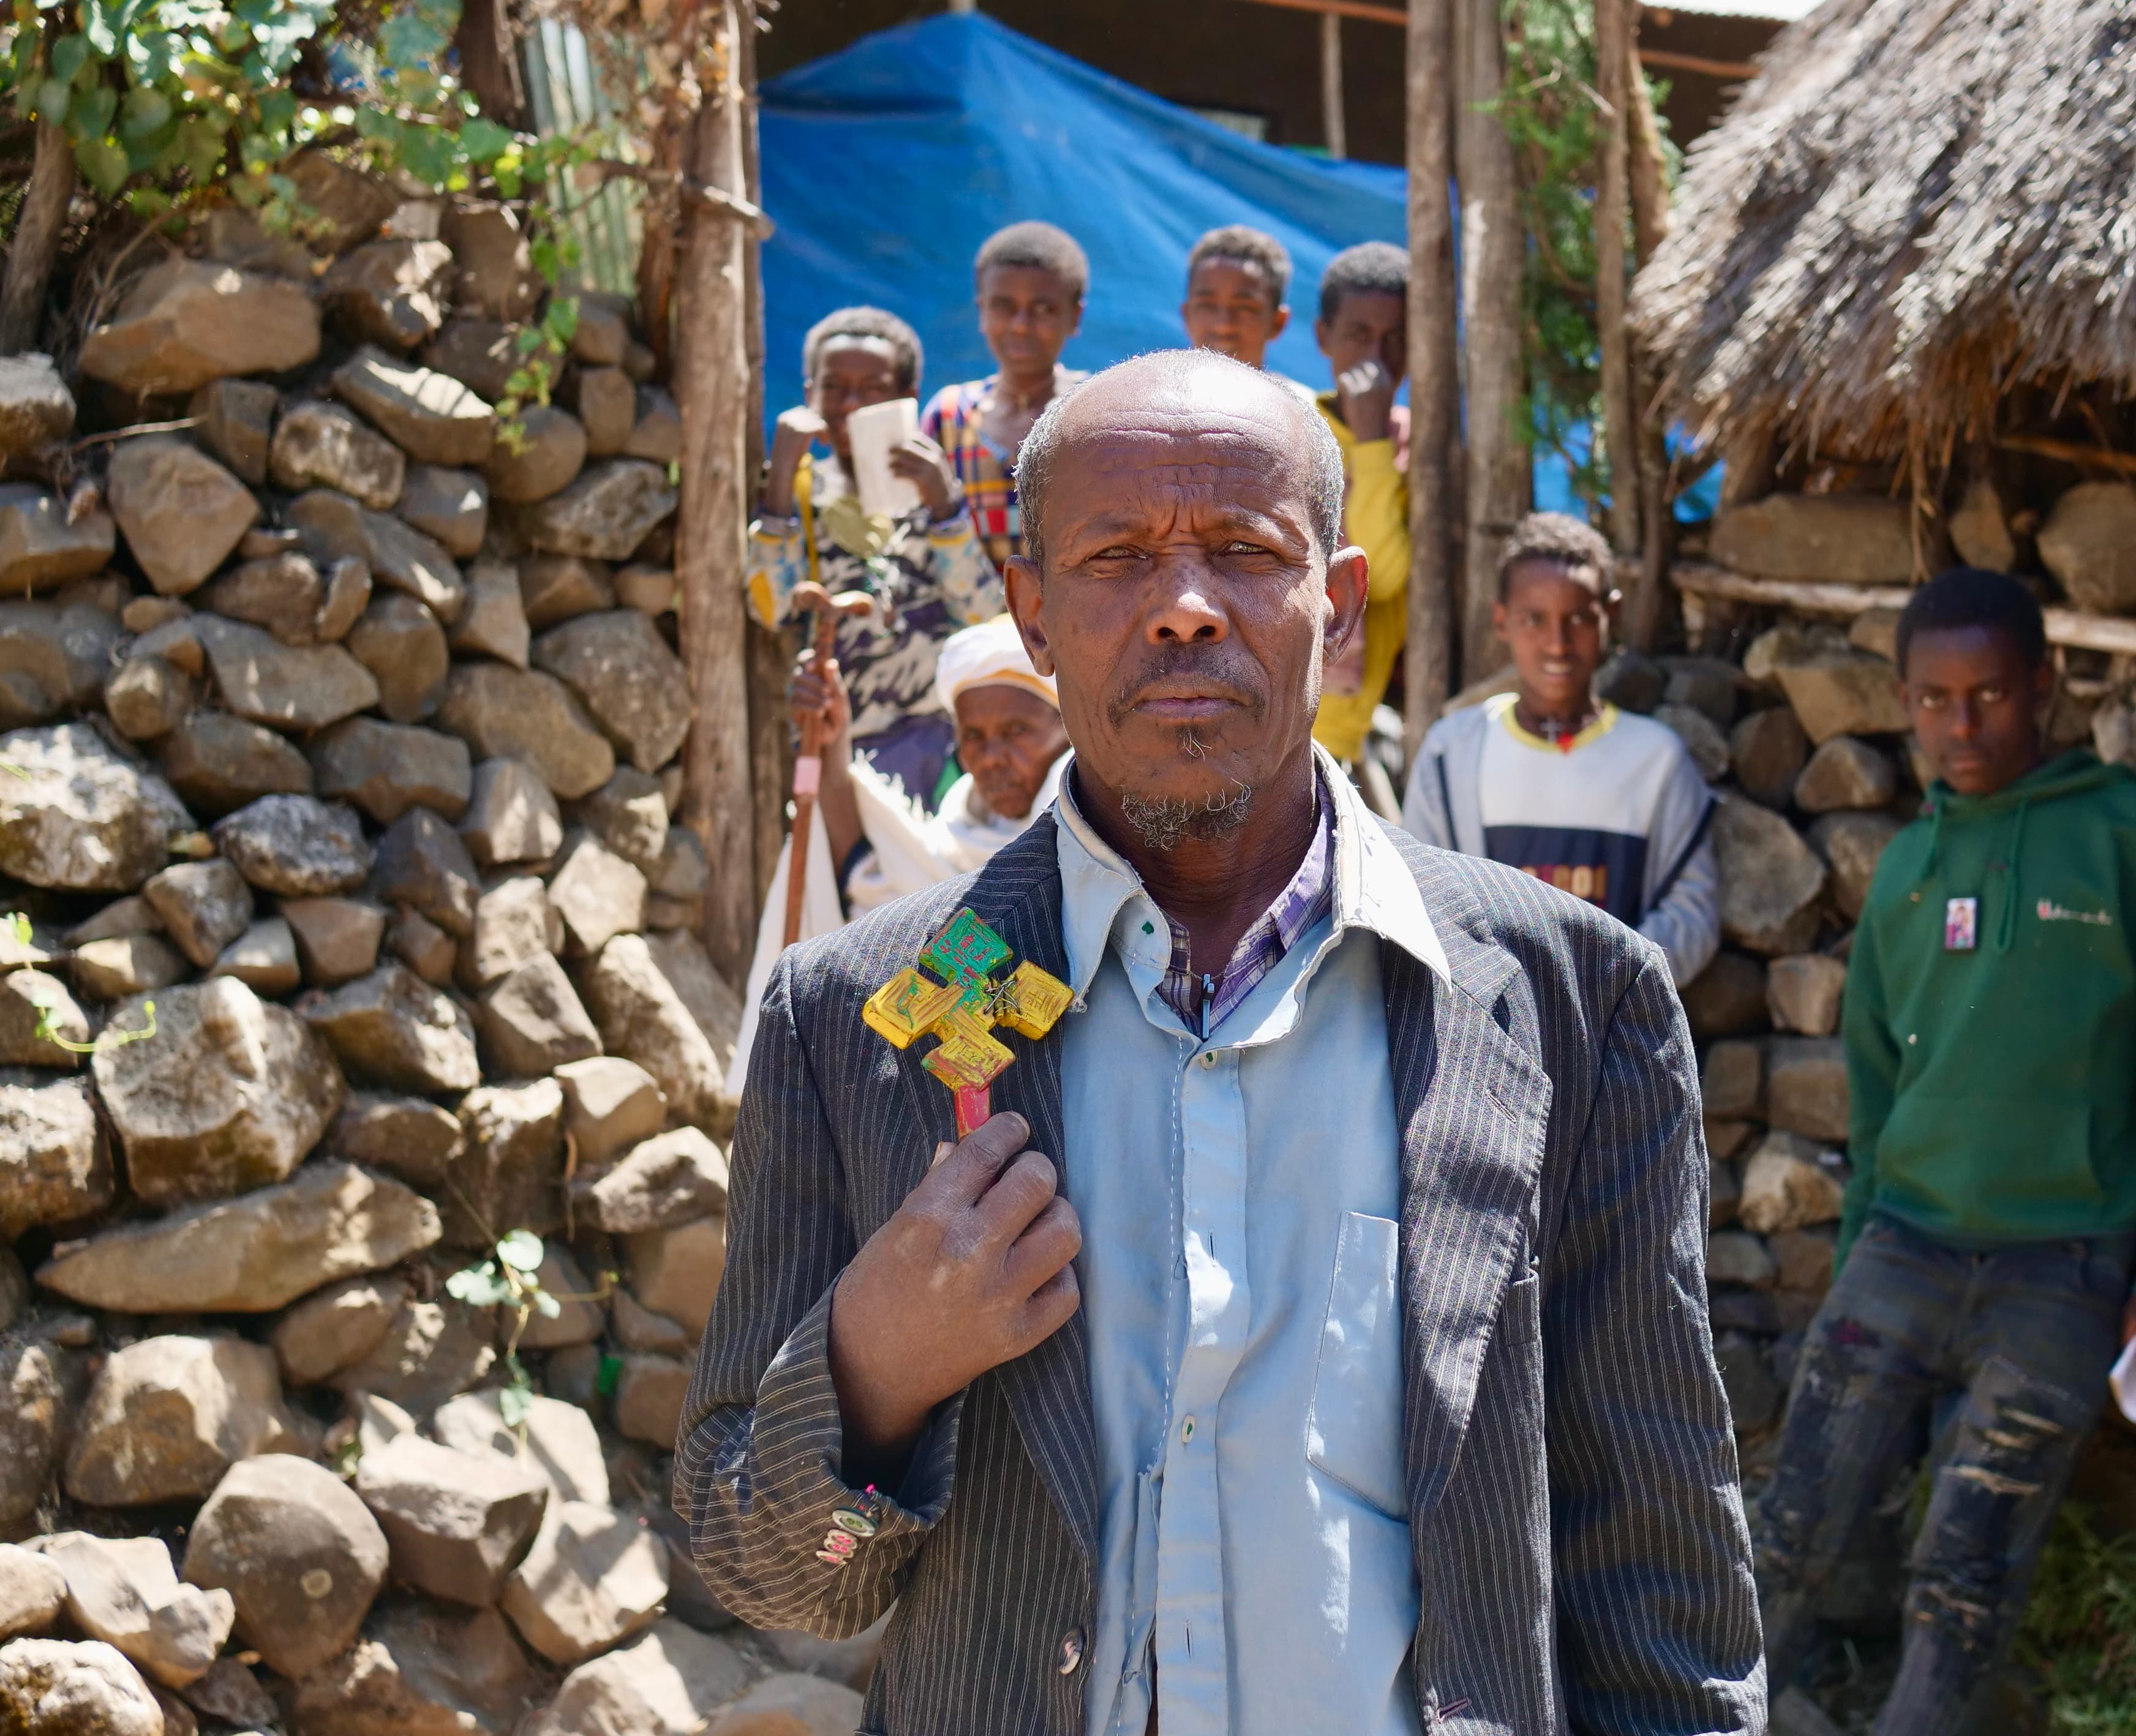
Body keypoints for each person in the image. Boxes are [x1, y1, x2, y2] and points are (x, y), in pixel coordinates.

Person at [681, 349, 1764, 1736]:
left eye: (1244, 553)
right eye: (1116, 557)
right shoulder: (862, 1021)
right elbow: (767, 1573)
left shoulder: (1568, 1006)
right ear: (1031, 613)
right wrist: (870, 1375)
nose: (1183, 609)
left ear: (1339, 604)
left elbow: (1660, 1577)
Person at [1753, 568, 2136, 1735]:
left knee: (1967, 1575)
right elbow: (1877, 1091)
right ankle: (1697, 1712)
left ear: (2046, 689)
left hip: (2060, 1271)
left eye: (1990, 696)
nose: (1959, 727)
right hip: (1903, 1253)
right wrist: (1861, 1254)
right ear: (1905, 700)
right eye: (1932, 700)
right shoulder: (1910, 871)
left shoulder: (2132, 839)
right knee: (1793, 1524)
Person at [724, 617, 1071, 1096]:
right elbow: (874, 897)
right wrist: (832, 739)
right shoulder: (946, 844)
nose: (991, 756)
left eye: (1016, 730)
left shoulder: (1086, 845)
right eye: (974, 737)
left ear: (1067, 728)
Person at [1401, 511, 1719, 986]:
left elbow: (1693, 913)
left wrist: (1608, 987)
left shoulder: (1656, 761)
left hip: (1617, 1045)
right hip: (1492, 1038)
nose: (1557, 644)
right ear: (1502, 620)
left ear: (1610, 616)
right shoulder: (1454, 755)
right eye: (1534, 619)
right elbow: (1419, 898)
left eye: (1579, 619)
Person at [746, 305, 1004, 806]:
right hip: (834, 751)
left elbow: (979, 613)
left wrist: (944, 504)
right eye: (834, 387)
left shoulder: (930, 492)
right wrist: (780, 478)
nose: (850, 404)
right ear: (808, 396)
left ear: (907, 400)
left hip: (937, 746)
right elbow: (770, 608)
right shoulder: (798, 495)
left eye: (872, 389)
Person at [922, 221, 1090, 572]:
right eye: (1003, 306)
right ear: (981, 311)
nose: (1020, 325)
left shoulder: (1098, 411)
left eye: (1043, 308)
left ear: (1074, 317)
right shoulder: (948, 417)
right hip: (969, 623)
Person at [1307, 240, 1410, 790]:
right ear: (1323, 336)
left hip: (1347, 732)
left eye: (1395, 339)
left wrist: (1373, 440)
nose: (1376, 358)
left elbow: (1385, 576)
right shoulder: (1294, 434)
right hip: (1282, 717)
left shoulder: (1415, 447)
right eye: (1358, 335)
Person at [1179, 224, 1307, 389]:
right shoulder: (1151, 402)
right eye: (1207, 306)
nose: (1223, 326)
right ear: (1187, 315)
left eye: (1244, 308)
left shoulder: (1303, 409)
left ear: (1278, 323)